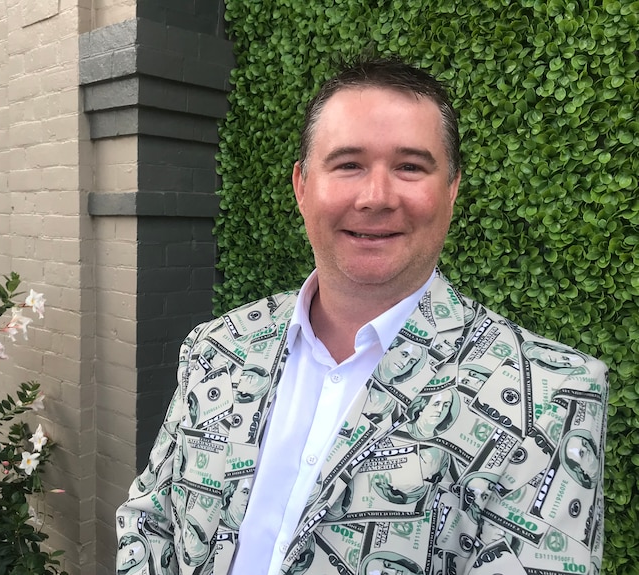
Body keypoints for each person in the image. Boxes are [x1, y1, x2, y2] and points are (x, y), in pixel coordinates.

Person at [116, 56, 608, 575]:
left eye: (410, 167)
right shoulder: (217, 346)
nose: (376, 197)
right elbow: (148, 523)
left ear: (452, 189)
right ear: (302, 186)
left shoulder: (551, 396)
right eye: (348, 164)